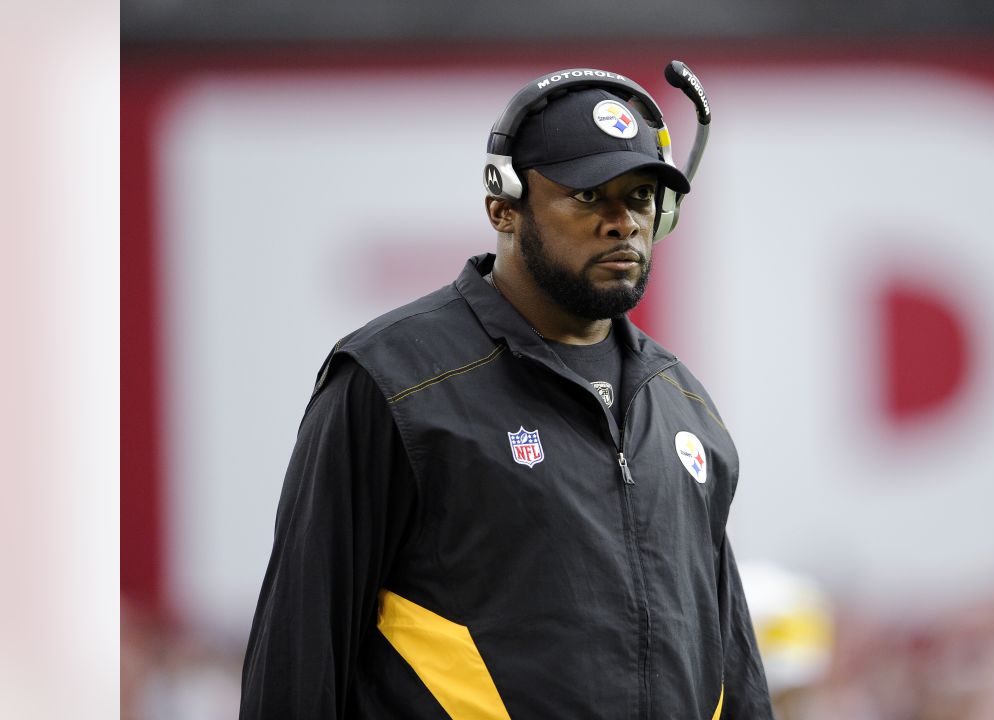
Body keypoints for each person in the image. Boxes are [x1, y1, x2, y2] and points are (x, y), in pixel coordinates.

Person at [240, 68, 774, 719]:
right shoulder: (394, 379)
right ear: (503, 205)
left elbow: (733, 673)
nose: (621, 223)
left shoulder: (683, 402)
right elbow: (299, 653)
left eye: (639, 197)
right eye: (587, 196)